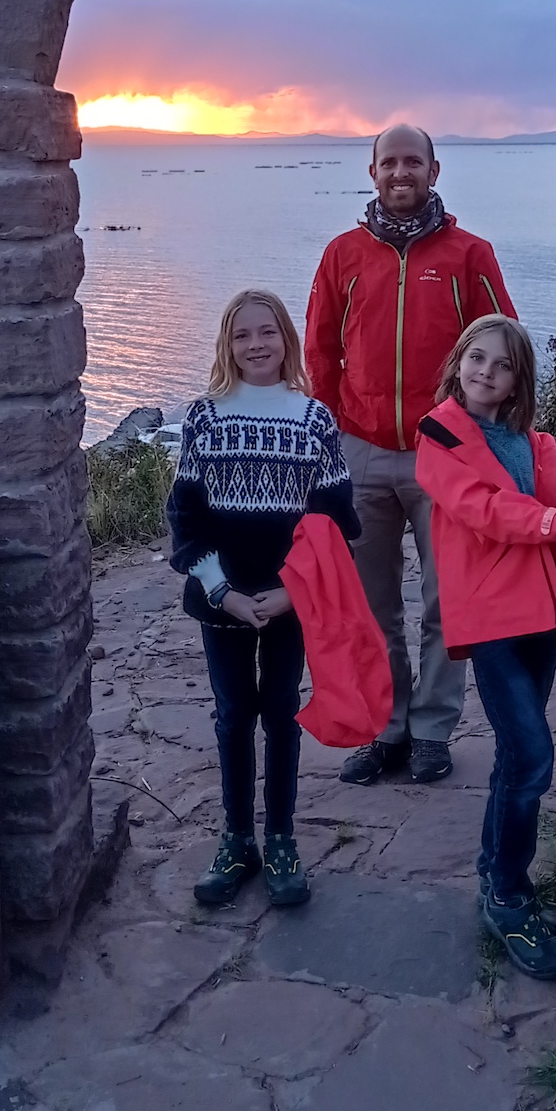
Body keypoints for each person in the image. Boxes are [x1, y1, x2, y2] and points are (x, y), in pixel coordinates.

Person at [305, 123, 516, 788]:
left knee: (447, 602)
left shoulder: (468, 254)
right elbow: (319, 351)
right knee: (373, 608)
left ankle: (431, 730)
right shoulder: (342, 255)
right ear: (372, 172)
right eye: (390, 162)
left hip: (444, 458)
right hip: (361, 452)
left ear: (434, 170)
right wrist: (332, 435)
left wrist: (481, 433)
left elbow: (503, 346)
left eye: (413, 162)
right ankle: (386, 727)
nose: (401, 173)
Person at [415, 315, 556, 979]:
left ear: (516, 381)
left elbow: (542, 496)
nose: (486, 372)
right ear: (459, 361)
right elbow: (483, 509)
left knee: (514, 755)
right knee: (532, 756)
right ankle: (507, 893)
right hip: (493, 618)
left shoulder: (534, 443)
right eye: (477, 357)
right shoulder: (438, 435)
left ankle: (494, 874)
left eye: (502, 365)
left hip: (540, 613)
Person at [167, 289, 359, 908]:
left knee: (280, 713)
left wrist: (292, 593)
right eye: (243, 334)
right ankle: (236, 840)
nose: (256, 344)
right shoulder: (205, 418)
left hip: (288, 603)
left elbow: (334, 521)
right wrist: (220, 590)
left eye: (267, 332)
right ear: (227, 344)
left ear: (287, 340)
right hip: (221, 600)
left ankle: (280, 840)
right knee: (233, 717)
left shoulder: (313, 419)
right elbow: (186, 516)